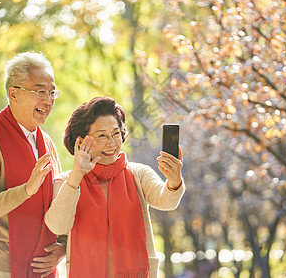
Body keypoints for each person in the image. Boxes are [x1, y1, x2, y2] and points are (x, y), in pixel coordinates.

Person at [45, 96, 185, 278]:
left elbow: (166, 201)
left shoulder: (138, 174)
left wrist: (174, 180)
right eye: (101, 135)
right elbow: (57, 226)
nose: (111, 143)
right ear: (81, 141)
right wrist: (77, 175)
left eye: (116, 133)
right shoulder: (67, 181)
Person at [0, 52, 66, 278]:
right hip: (1, 269)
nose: (48, 100)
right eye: (40, 91)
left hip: (45, 270)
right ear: (13, 93)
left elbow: (61, 204)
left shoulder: (47, 143)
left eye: (51, 93)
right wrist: (26, 190)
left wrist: (63, 248)